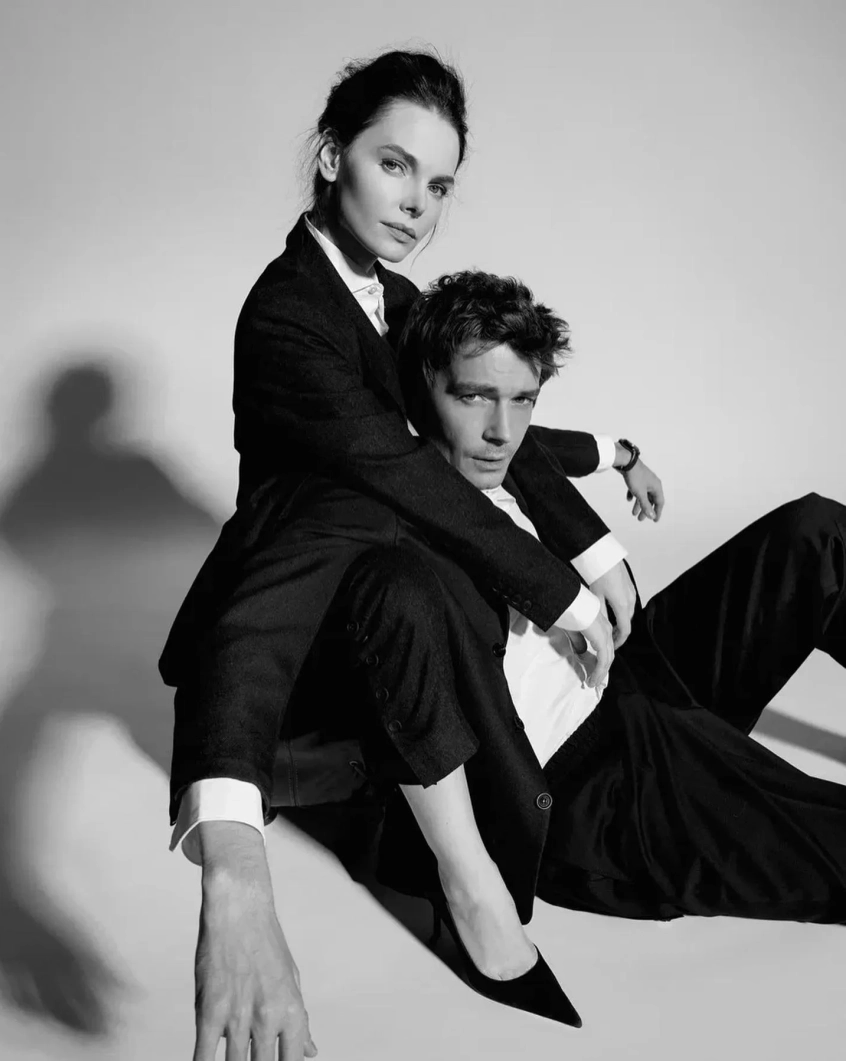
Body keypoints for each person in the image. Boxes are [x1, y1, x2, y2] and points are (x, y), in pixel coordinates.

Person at [159, 50, 663, 1060]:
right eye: (394, 165)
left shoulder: (395, 296)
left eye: (437, 184)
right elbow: (403, 477)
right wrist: (234, 871)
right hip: (313, 616)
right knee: (377, 528)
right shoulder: (287, 317)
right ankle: (465, 880)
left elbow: (475, 419)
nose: (416, 204)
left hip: (410, 596)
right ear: (332, 155)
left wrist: (608, 472)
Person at [298, 267, 844, 1030]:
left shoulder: (506, 445)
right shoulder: (377, 525)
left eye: (522, 398)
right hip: (593, 787)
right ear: (424, 389)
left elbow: (554, 447)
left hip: (636, 674)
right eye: (474, 397)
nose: (502, 429)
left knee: (815, 534)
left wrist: (625, 456)